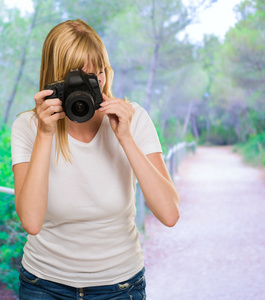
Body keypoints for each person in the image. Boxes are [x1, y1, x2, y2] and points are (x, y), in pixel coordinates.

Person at [11, 19, 180, 300]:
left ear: (105, 72)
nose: (88, 88)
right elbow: (31, 221)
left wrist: (125, 138)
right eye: (76, 79)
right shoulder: (28, 127)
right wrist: (44, 134)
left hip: (120, 285)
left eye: (96, 75)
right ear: (55, 80)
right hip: (44, 284)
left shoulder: (132, 118)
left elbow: (169, 214)